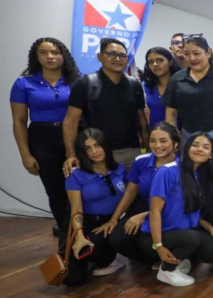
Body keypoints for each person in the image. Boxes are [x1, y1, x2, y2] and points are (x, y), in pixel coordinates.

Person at [10, 37, 80, 240]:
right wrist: (25, 155)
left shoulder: (77, 80)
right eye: (43, 52)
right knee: (56, 191)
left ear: (63, 56)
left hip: (76, 136)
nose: (50, 56)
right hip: (43, 139)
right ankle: (68, 240)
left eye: (56, 52)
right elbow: (19, 122)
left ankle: (83, 236)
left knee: (80, 188)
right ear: (36, 56)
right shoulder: (24, 83)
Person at [138, 132, 213, 286]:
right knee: (192, 238)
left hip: (185, 231)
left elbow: (193, 211)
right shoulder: (167, 171)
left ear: (211, 155)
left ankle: (183, 258)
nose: (199, 149)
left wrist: (210, 228)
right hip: (157, 236)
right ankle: (167, 270)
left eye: (205, 147)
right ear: (186, 147)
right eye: (195, 145)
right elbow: (155, 212)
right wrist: (159, 246)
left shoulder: (201, 175)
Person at [100, 122, 179, 269]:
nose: (157, 145)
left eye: (163, 141)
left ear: (175, 143)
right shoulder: (141, 161)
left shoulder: (183, 164)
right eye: (153, 141)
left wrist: (145, 216)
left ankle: (176, 257)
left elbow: (179, 202)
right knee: (116, 239)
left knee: (148, 236)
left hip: (172, 211)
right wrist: (114, 219)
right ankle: (153, 259)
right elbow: (130, 192)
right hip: (144, 205)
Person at [63, 37, 148, 172]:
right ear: (100, 57)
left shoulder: (134, 84)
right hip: (99, 154)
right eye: (111, 54)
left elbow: (141, 120)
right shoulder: (85, 84)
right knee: (105, 192)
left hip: (132, 152)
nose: (117, 59)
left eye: (122, 55)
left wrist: (147, 149)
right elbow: (70, 121)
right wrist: (71, 154)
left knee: (137, 192)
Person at [63, 128, 127, 286]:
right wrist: (79, 238)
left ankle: (107, 260)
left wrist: (114, 220)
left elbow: (128, 200)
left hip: (110, 222)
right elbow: (76, 210)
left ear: (105, 145)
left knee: (99, 246)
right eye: (88, 148)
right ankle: (91, 257)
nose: (94, 151)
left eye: (97, 145)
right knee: (72, 279)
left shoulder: (120, 170)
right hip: (84, 224)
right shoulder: (75, 174)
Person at [163, 35, 213, 142]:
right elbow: (171, 112)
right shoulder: (177, 79)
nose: (192, 58)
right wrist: (172, 138)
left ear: (208, 53)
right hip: (189, 136)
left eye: (196, 53)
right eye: (186, 54)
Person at [141, 47, 181, 128]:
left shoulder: (180, 85)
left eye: (160, 60)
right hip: (155, 135)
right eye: (151, 62)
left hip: (179, 134)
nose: (155, 64)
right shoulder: (147, 86)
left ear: (170, 62)